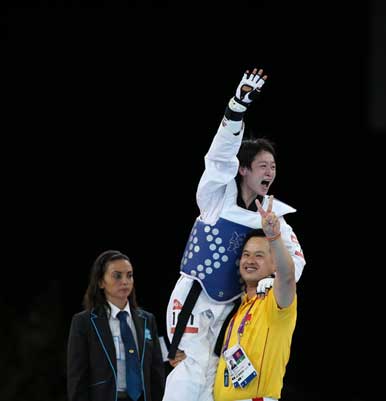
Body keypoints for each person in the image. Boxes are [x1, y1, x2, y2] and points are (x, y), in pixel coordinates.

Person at [163, 68, 306, 401]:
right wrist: (235, 109)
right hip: (191, 303)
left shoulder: (274, 218)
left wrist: (271, 283)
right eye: (262, 166)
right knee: (184, 381)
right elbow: (218, 158)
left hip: (232, 313)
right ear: (243, 169)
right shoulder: (216, 197)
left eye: (273, 166)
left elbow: (295, 265)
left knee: (214, 383)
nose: (270, 172)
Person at [213, 196, 297, 401]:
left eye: (259, 256)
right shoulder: (238, 308)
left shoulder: (274, 303)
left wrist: (274, 237)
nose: (250, 261)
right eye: (246, 254)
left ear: (274, 264)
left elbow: (287, 278)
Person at [67, 250, 165, 401]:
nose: (125, 281)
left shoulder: (147, 319)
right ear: (100, 282)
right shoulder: (84, 322)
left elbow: (156, 372)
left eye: (129, 275)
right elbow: (77, 377)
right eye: (117, 275)